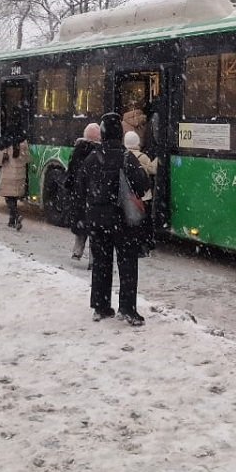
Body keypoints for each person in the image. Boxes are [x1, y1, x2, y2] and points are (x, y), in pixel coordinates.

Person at [77, 112, 150, 326]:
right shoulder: (127, 158)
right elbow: (142, 184)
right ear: (120, 133)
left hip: (98, 220)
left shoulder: (92, 157)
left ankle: (101, 306)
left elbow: (80, 186)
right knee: (127, 265)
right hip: (123, 221)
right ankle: (127, 308)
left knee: (101, 262)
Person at [66, 122, 102, 262]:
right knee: (94, 228)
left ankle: (77, 251)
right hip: (94, 196)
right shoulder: (100, 154)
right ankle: (93, 259)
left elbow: (70, 173)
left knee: (81, 225)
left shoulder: (77, 151)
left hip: (79, 195)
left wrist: (71, 190)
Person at [124, 130, 158, 257]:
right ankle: (145, 244)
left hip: (130, 195)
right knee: (145, 220)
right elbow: (152, 170)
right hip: (144, 195)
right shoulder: (142, 157)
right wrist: (158, 158)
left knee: (132, 220)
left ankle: (133, 244)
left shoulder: (124, 155)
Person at [0, 130, 29, 231]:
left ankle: (16, 216)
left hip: (8, 175)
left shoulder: (4, 144)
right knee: (13, 198)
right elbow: (27, 159)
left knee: (9, 198)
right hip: (20, 175)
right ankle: (11, 220)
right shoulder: (24, 143)